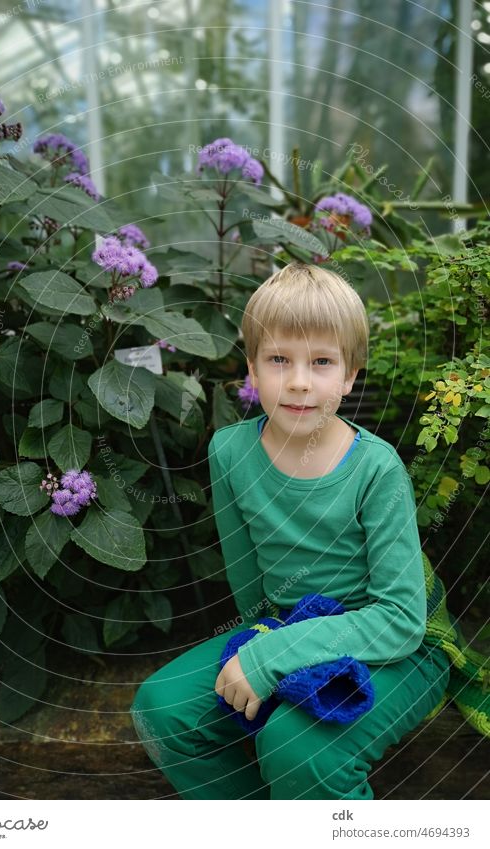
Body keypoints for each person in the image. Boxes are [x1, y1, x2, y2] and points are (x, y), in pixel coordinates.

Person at [130, 263, 451, 800]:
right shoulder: (230, 452)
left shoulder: (376, 469)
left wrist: (271, 658)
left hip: (397, 648)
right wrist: (265, 654)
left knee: (297, 747)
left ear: (349, 376)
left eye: (322, 362)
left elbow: (400, 620)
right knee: (161, 708)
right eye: (279, 359)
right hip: (287, 628)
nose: (300, 380)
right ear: (251, 370)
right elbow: (251, 587)